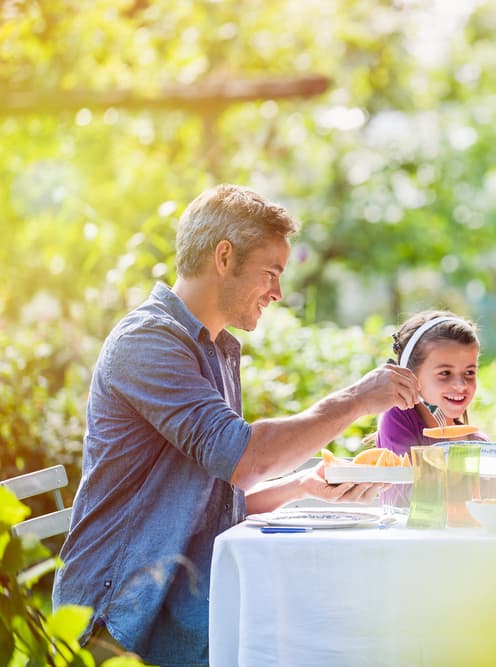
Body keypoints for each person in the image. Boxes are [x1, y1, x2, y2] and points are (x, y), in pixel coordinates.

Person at [52, 184, 420, 667]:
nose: (278, 292)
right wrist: (358, 397)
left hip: (181, 605)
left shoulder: (215, 349)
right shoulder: (147, 344)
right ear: (223, 257)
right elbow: (247, 459)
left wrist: (304, 485)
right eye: (271, 272)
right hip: (120, 621)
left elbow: (213, 499)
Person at [375, 310, 488, 455]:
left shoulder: (480, 444)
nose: (461, 385)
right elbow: (412, 476)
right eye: (445, 373)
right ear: (410, 376)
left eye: (469, 372)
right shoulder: (397, 418)